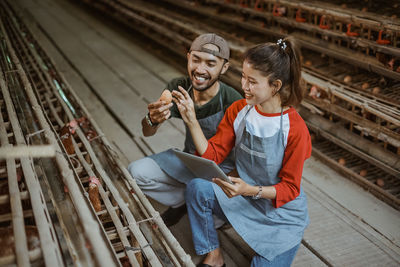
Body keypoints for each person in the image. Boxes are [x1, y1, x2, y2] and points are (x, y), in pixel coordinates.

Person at [173, 37, 311, 267]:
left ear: (275, 86)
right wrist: (191, 120)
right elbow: (213, 155)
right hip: (244, 198)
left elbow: (290, 188)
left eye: (253, 82)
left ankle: (281, 243)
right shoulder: (239, 110)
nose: (244, 86)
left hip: (280, 216)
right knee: (197, 188)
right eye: (243, 77)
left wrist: (250, 189)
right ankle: (213, 255)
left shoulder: (295, 130)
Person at [128, 33, 243, 227]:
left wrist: (225, 183)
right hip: (191, 160)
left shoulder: (233, 101)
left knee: (215, 219)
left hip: (223, 170)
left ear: (224, 68)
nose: (200, 69)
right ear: (188, 56)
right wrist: (152, 119)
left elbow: (244, 160)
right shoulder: (179, 87)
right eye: (196, 60)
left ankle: (197, 201)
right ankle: (183, 201)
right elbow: (147, 132)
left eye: (210, 63)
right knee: (136, 172)